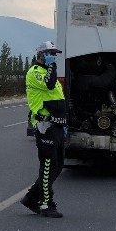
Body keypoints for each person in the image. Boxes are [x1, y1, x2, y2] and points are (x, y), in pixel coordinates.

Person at [20, 41, 68, 218]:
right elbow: (48, 85)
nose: (53, 57)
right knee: (48, 165)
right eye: (50, 54)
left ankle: (31, 197)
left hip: (56, 124)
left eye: (55, 54)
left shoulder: (50, 73)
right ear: (40, 55)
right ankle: (45, 203)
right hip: (44, 125)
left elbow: (57, 97)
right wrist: (52, 66)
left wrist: (64, 123)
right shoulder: (35, 73)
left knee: (58, 165)